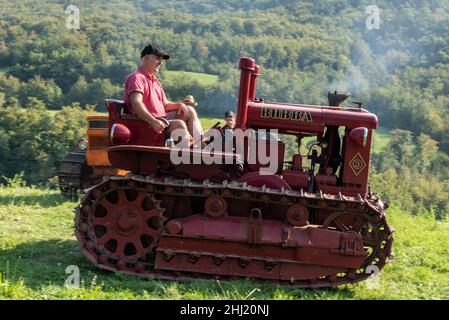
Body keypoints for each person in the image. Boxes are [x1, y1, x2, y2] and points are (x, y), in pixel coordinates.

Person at [124, 44, 203, 141]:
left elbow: (165, 105)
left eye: (161, 59)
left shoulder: (155, 81)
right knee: (179, 124)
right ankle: (190, 151)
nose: (160, 62)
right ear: (146, 57)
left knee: (189, 110)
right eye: (157, 58)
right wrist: (153, 121)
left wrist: (179, 105)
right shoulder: (136, 78)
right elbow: (137, 104)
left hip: (161, 120)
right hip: (146, 124)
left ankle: (201, 143)